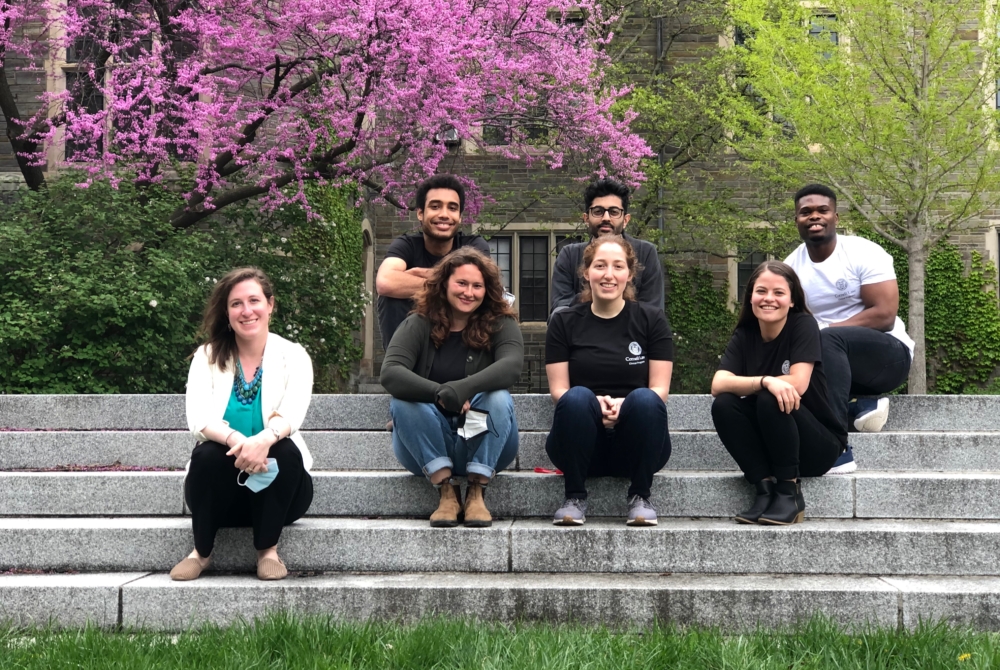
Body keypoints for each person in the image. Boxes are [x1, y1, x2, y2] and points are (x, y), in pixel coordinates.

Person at [171, 267, 314, 581]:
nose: (246, 311)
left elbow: (293, 413)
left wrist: (263, 441)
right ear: (226, 312)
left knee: (287, 451)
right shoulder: (206, 357)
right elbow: (198, 419)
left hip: (282, 488)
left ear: (270, 305)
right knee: (206, 453)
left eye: (254, 300)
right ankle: (201, 553)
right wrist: (241, 441)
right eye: (236, 303)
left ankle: (268, 551)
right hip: (219, 492)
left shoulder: (294, 356)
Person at [380, 248, 523, 528]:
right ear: (444, 284)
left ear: (488, 289)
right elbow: (391, 373)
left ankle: (477, 491)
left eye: (477, 286)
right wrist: (440, 393)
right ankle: (446, 491)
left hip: (484, 438)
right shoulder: (418, 323)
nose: (469, 292)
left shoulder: (501, 323)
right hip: (429, 441)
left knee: (497, 397)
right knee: (402, 400)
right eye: (461, 283)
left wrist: (463, 389)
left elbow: (511, 367)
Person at [784, 184, 913, 474]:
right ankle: (857, 408)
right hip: (831, 369)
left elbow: (884, 316)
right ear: (796, 220)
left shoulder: (862, 252)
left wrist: (822, 332)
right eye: (806, 212)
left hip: (887, 358)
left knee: (827, 338)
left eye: (822, 210)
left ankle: (837, 449)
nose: (814, 216)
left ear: (835, 217)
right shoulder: (791, 268)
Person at [545, 235, 673, 526]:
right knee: (576, 396)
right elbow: (558, 390)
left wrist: (624, 406)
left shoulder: (651, 320)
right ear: (586, 272)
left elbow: (660, 389)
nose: (609, 274)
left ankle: (640, 497)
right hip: (580, 444)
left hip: (638, 445)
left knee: (644, 398)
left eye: (618, 266)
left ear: (629, 274)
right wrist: (595, 405)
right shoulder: (564, 322)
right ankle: (574, 497)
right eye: (600, 265)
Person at [711, 261, 846, 525]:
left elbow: (798, 384)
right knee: (725, 405)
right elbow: (718, 384)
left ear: (792, 300)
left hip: (818, 446)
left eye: (779, 293)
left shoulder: (803, 325)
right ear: (750, 296)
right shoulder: (745, 334)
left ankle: (789, 493)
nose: (769, 299)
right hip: (772, 444)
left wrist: (767, 385)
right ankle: (763, 490)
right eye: (761, 291)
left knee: (772, 397)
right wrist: (765, 381)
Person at [376, 174, 491, 347]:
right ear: (420, 213)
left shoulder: (474, 245)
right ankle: (398, 368)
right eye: (435, 207)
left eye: (452, 208)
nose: (444, 215)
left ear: (460, 217)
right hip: (414, 341)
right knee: (390, 298)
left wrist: (417, 277)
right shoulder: (406, 245)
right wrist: (450, 283)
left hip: (462, 342)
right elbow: (385, 282)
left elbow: (477, 285)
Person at [550, 178, 663, 318]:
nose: (606, 218)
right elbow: (560, 309)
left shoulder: (646, 253)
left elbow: (652, 311)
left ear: (626, 220)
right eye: (598, 211)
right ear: (586, 218)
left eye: (614, 212)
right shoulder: (569, 255)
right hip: (580, 337)